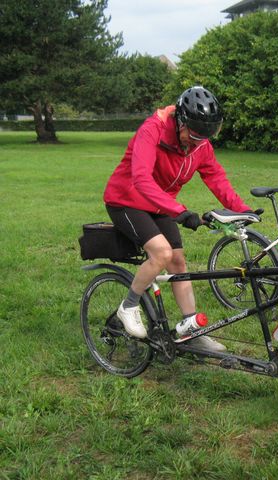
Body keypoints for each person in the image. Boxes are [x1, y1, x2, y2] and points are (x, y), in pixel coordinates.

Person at [103, 86, 251, 353]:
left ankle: (190, 329)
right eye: (193, 137)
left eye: (204, 138)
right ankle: (129, 306)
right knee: (161, 253)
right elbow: (141, 179)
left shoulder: (200, 143)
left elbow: (215, 176)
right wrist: (179, 211)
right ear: (181, 121)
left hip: (160, 203)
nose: (197, 144)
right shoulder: (152, 131)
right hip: (127, 199)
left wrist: (241, 209)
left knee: (178, 261)